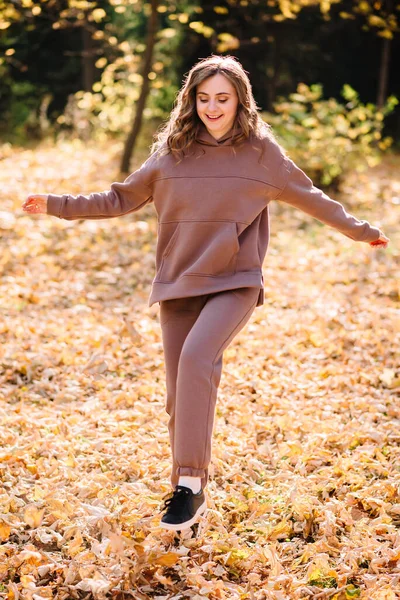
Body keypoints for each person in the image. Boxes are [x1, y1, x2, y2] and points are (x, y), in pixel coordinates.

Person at [22, 54, 390, 532]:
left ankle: (190, 484)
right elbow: (120, 198)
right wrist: (58, 205)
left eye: (223, 98)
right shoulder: (172, 153)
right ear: (191, 101)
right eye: (203, 98)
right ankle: (187, 495)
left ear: (241, 101)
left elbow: (312, 197)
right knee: (180, 395)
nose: (213, 108)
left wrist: (362, 232)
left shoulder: (263, 155)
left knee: (198, 359)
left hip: (233, 283)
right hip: (178, 285)